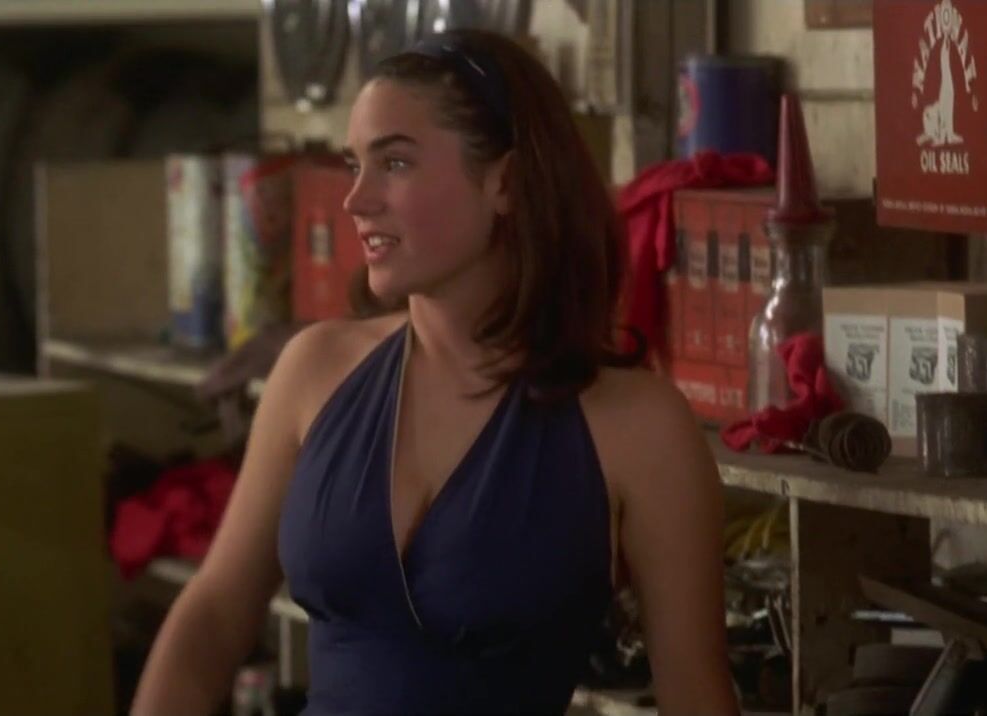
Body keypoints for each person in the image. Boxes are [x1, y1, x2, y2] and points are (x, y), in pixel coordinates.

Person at [133, 29, 737, 716]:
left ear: (505, 182)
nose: (356, 200)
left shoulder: (638, 427)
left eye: (394, 163)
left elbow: (696, 696)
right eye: (354, 165)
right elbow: (213, 617)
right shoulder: (314, 371)